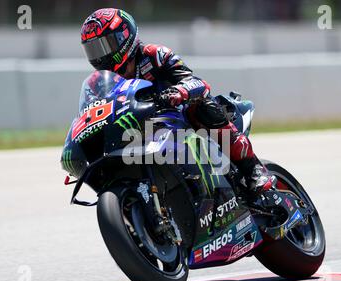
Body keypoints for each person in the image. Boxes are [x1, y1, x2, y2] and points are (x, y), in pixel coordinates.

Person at [80, 8, 276, 193]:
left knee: (201, 106)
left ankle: (253, 169)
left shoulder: (154, 55)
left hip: (181, 120)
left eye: (104, 46)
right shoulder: (100, 83)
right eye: (93, 49)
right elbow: (95, 111)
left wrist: (179, 91)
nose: (100, 56)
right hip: (144, 129)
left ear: (124, 38)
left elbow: (197, 83)